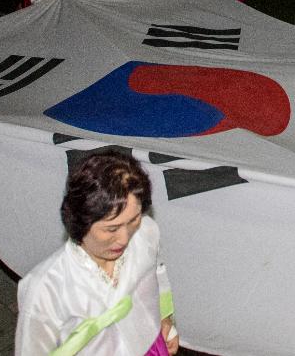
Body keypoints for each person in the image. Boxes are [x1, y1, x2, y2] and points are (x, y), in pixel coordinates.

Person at [15, 151, 178, 355]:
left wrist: (164, 318)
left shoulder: (146, 233)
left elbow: (156, 276)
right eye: (111, 228)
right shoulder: (45, 289)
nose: (125, 239)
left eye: (134, 220)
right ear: (80, 221)